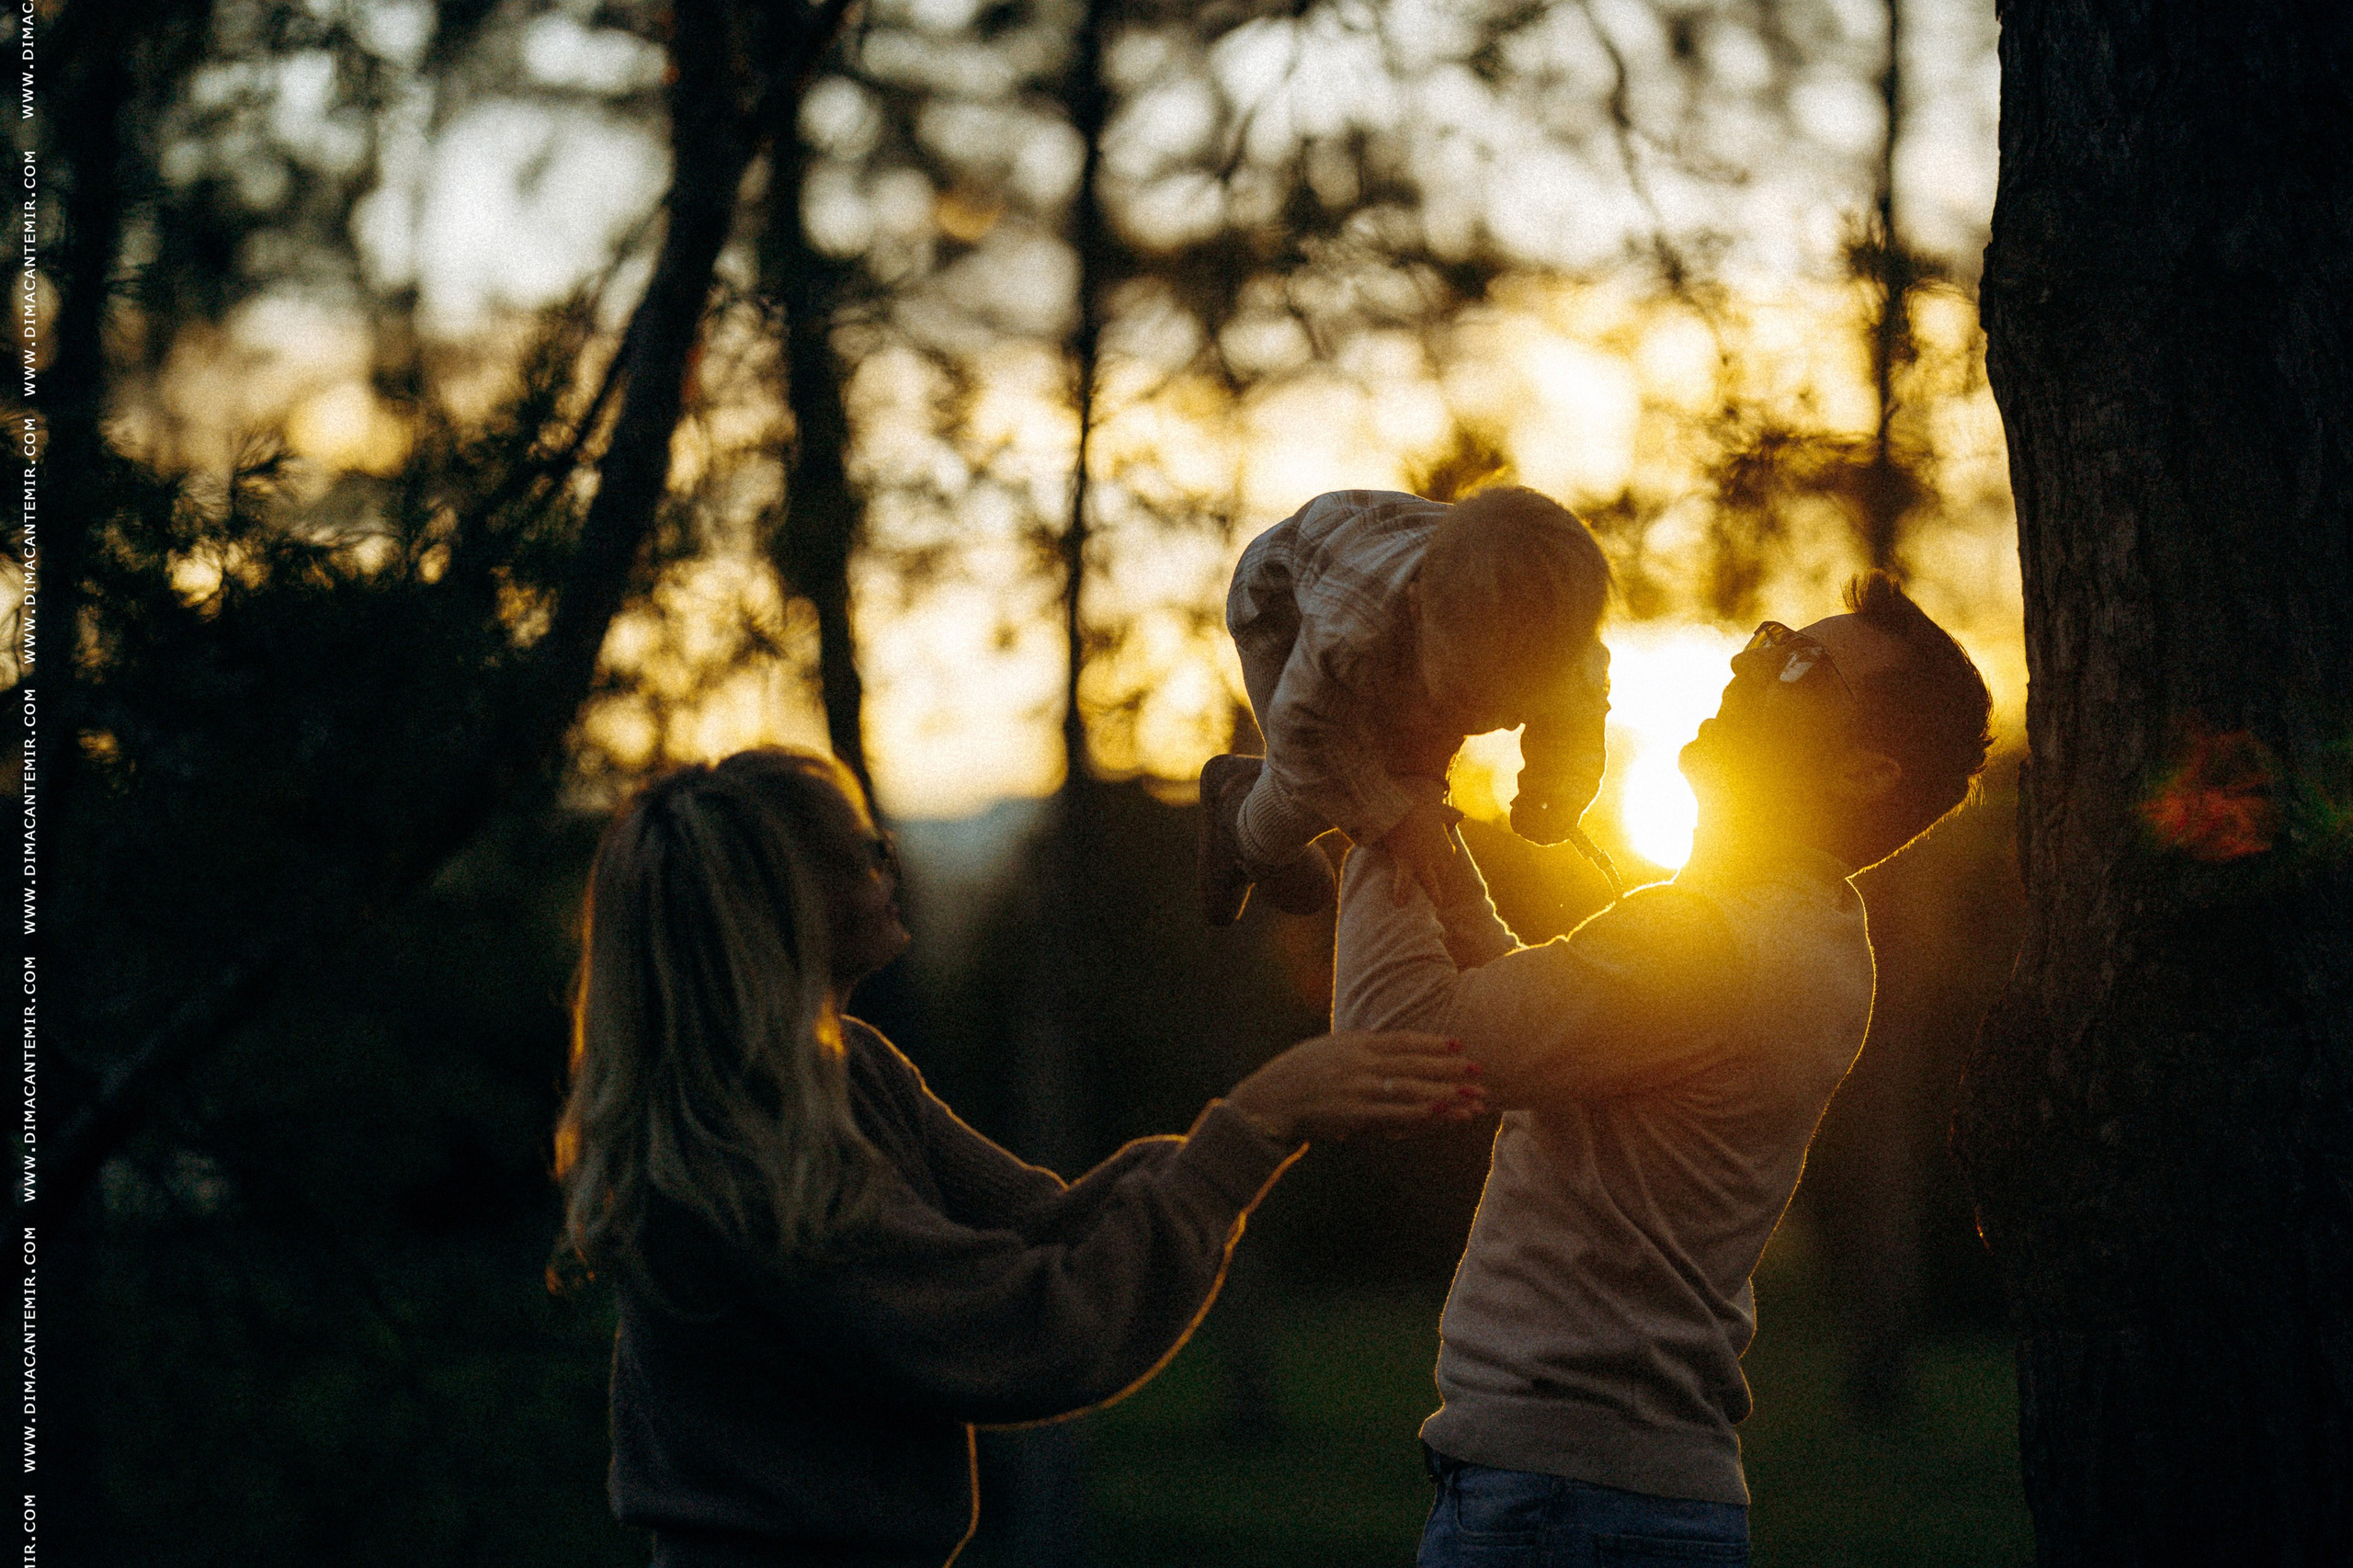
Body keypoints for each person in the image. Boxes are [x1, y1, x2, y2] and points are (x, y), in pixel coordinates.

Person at [552, 747, 1489, 1568]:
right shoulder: (747, 1158)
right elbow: (1036, 1326)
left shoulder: (848, 1069)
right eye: (862, 850)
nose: (888, 859)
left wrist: (1252, 1123)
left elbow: (1046, 1226)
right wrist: (1253, 1128)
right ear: (783, 901)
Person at [1330, 573, 1994, 1566]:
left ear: (1863, 772)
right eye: (1770, 637)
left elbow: (1390, 1036)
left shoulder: (1713, 944)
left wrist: (1390, 786)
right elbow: (1529, 1017)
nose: (1749, 663)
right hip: (1607, 1497)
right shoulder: (1807, 934)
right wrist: (1419, 825)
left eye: (1799, 666)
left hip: (1560, 1510)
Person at [1199, 486, 1620, 928]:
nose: (1500, 720)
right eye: (1470, 697)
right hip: (1280, 604)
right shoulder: (1351, 631)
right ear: (1418, 609)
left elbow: (1576, 724)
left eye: (1520, 705)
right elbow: (1303, 734)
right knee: (1310, 781)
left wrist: (1557, 786)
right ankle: (1242, 822)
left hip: (1372, 562)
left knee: (1411, 768)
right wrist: (1397, 821)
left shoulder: (1566, 652)